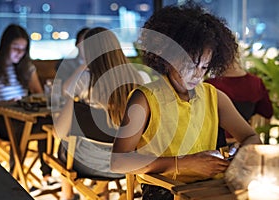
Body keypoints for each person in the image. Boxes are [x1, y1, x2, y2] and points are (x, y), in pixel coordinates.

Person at [110, 2, 262, 199]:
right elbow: (118, 161)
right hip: (165, 189)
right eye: (190, 65)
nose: (197, 75)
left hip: (210, 187)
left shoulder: (214, 97)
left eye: (204, 67)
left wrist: (238, 152)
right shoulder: (145, 99)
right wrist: (182, 163)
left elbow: (252, 138)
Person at [53, 27, 144, 200]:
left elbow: (59, 132)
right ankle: (103, 194)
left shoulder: (84, 81)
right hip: (126, 163)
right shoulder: (138, 79)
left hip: (87, 164)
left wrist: (83, 65)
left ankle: (67, 196)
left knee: (64, 145)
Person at [0, 24, 59, 195]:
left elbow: (38, 95)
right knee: (22, 127)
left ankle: (46, 176)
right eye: (15, 48)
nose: (19, 53)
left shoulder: (26, 68)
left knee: (47, 124)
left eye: (23, 49)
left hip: (23, 116)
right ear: (5, 46)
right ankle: (16, 178)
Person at [205, 54, 273, 143]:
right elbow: (267, 112)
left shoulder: (210, 87)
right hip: (244, 140)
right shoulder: (256, 82)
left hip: (216, 142)